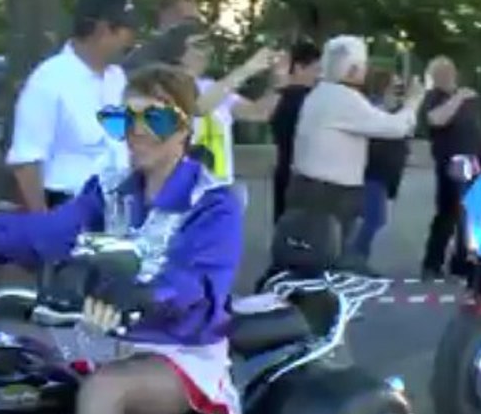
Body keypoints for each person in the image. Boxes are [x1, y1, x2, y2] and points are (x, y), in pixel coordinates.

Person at [0, 64, 242, 414]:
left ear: (185, 131)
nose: (136, 131)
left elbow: (197, 285)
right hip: (100, 340)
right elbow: (46, 233)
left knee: (104, 393)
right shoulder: (109, 191)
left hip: (178, 350)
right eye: (125, 118)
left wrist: (144, 294)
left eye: (156, 118)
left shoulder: (212, 202)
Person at [7, 0, 139, 211]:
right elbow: (26, 161)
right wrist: (46, 225)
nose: (132, 42)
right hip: (68, 206)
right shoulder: (50, 80)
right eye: (128, 32)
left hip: (116, 207)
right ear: (103, 30)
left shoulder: (116, 78)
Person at [289, 36, 424, 246]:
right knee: (326, 251)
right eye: (363, 66)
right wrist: (413, 102)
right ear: (352, 69)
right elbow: (396, 128)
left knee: (306, 248)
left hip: (308, 185)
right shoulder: (344, 98)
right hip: (331, 192)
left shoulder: (320, 93)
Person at [132, 15, 285, 182]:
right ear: (179, 52)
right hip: (179, 189)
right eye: (199, 45)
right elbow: (198, 107)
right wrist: (248, 68)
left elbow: (258, 113)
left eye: (208, 45)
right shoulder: (163, 85)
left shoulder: (213, 87)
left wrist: (278, 83)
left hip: (217, 191)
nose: (208, 51)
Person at [420, 56, 481, 281]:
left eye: (449, 71)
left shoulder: (468, 99)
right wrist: (458, 97)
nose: (447, 76)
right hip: (450, 162)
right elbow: (436, 119)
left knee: (467, 214)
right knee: (448, 213)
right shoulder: (434, 97)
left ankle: (462, 261)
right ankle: (432, 263)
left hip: (470, 160)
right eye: (441, 73)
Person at [352, 67, 411, 260]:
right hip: (371, 172)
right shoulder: (373, 109)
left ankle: (356, 256)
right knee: (374, 218)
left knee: (372, 218)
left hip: (381, 173)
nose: (398, 91)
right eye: (395, 87)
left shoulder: (387, 109)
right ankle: (355, 257)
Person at [270, 41, 322, 221]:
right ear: (299, 68)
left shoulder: (278, 98)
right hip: (305, 174)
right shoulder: (308, 100)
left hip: (285, 168)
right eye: (315, 69)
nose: (318, 75)